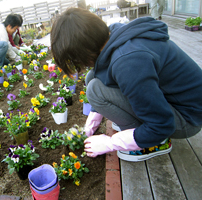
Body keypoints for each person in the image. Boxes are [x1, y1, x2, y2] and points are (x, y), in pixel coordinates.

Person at [50, 8, 202, 162]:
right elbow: (100, 72)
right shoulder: (115, 36)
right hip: (175, 102)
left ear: (85, 50)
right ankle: (136, 129)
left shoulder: (128, 62)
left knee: (95, 90)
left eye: (75, 60)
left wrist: (111, 143)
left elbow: (162, 125)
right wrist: (91, 125)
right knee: (92, 77)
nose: (79, 65)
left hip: (188, 118)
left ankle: (154, 144)